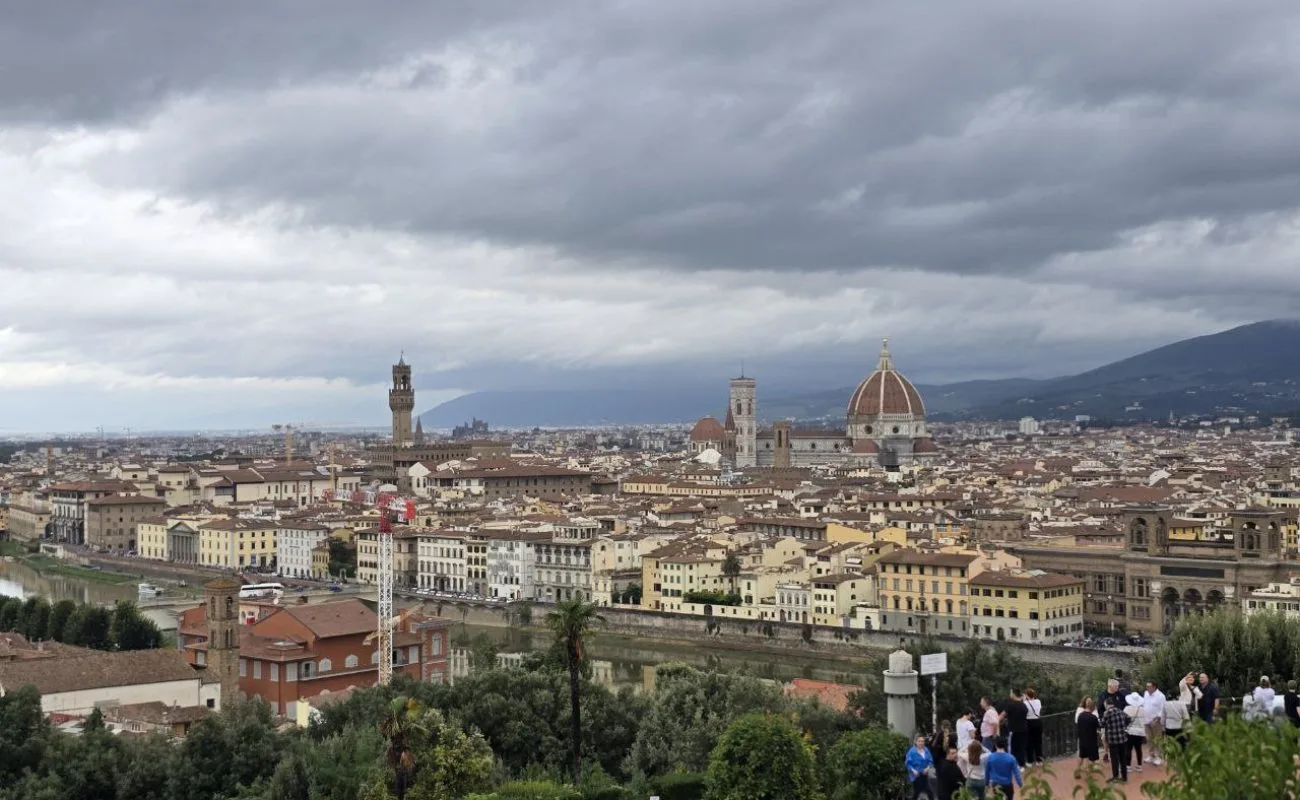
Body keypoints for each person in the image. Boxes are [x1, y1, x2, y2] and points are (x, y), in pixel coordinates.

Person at [1101, 697, 1130, 783]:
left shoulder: (1107, 713)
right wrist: (1124, 726)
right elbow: (1129, 718)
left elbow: (1102, 724)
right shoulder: (1120, 711)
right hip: (1123, 739)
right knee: (1123, 759)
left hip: (1113, 740)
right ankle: (1124, 777)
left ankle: (1115, 776)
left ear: (1106, 704)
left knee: (1114, 759)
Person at [1003, 688, 1029, 767]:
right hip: (1024, 729)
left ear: (1014, 694)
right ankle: (1022, 764)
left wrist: (997, 719)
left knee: (1012, 748)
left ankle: (1014, 765)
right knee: (1022, 747)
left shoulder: (1011, 705)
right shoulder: (1024, 705)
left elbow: (1002, 715)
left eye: (1011, 693)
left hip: (1013, 730)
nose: (1010, 694)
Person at [1142, 681, 1166, 766]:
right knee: (1149, 739)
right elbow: (1144, 705)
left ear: (1154, 687)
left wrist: (1156, 720)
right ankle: (1151, 755)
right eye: (1146, 686)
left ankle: (1159, 757)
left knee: (1158, 739)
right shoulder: (1145, 693)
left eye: (1149, 687)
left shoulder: (1161, 696)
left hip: (1156, 721)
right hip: (1146, 720)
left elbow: (1162, 710)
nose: (1147, 688)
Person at [906, 733, 936, 800]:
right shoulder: (912, 752)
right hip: (916, 776)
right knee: (916, 792)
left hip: (925, 774)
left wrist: (927, 768)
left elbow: (930, 761)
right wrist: (914, 771)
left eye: (922, 741)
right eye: (919, 741)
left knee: (930, 791)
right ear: (916, 742)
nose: (921, 743)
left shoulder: (926, 750)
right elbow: (908, 763)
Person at [1124, 691, 1146, 772]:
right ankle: (1139, 765)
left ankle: (1128, 766)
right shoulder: (1143, 709)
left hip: (1130, 731)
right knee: (1138, 749)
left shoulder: (1127, 709)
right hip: (1140, 732)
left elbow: (1124, 720)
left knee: (1128, 748)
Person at [1076, 697, 1101, 763]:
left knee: (1082, 757)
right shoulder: (1093, 717)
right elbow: (1099, 726)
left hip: (1082, 740)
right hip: (1092, 741)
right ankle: (1093, 771)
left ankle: (1078, 771)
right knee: (1094, 759)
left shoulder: (1080, 716)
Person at [1024, 687, 1043, 767]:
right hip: (1038, 722)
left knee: (1029, 742)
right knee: (1038, 742)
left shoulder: (1025, 703)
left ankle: (1030, 761)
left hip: (1029, 722)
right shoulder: (1038, 701)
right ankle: (1039, 760)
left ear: (1027, 695)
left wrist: (1024, 699)